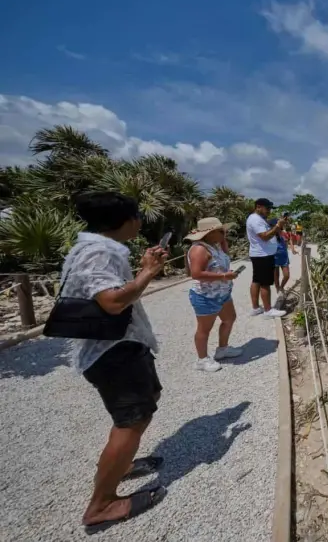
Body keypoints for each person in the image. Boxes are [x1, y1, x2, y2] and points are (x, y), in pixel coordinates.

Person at [60, 191, 167, 532]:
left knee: (142, 408)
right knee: (131, 420)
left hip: (120, 346)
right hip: (113, 352)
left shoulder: (97, 248)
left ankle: (119, 465)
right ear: (129, 220)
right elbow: (111, 302)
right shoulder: (100, 252)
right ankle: (102, 503)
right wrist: (148, 272)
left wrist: (141, 269)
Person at [184, 217, 243, 372]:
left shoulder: (215, 246)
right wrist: (223, 276)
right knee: (204, 329)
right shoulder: (199, 249)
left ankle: (222, 349)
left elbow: (225, 253)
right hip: (206, 295)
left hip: (222, 293)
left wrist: (223, 239)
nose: (224, 233)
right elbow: (196, 274)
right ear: (209, 233)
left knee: (229, 318)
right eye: (220, 231)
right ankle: (201, 360)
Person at [246, 198, 286, 318]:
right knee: (265, 283)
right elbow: (264, 237)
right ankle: (268, 310)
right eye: (267, 208)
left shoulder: (258, 219)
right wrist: (278, 226)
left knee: (257, 280)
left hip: (260, 254)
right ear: (258, 207)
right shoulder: (255, 220)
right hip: (263, 255)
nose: (269, 211)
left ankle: (255, 308)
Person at [273, 212, 298, 305]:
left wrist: (293, 249)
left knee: (286, 275)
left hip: (284, 257)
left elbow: (290, 241)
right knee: (276, 276)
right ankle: (277, 289)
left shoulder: (285, 233)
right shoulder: (274, 232)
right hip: (274, 256)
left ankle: (281, 287)